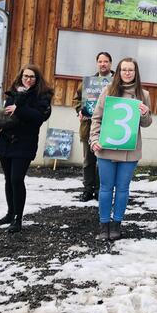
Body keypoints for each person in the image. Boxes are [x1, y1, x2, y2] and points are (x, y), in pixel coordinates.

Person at [89, 58, 152, 241]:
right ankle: (104, 225)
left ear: (135, 72)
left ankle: (117, 224)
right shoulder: (108, 91)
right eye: (123, 69)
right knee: (106, 188)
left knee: (123, 188)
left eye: (130, 70)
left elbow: (147, 124)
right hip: (106, 147)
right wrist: (94, 140)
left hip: (129, 149)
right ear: (118, 72)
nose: (127, 73)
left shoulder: (143, 94)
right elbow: (97, 119)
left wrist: (145, 113)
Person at [0, 64, 53, 234]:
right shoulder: (13, 92)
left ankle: (18, 218)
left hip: (25, 143)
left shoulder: (43, 96)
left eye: (32, 77)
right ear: (21, 76)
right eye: (25, 76)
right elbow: (5, 115)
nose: (28, 79)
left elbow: (38, 118)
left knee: (17, 179)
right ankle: (10, 213)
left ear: (37, 79)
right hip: (6, 142)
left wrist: (20, 108)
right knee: (8, 180)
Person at [72, 51, 113, 202]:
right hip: (88, 127)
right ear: (97, 63)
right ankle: (88, 189)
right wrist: (80, 111)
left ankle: (100, 189)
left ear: (110, 63)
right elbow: (76, 99)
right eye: (100, 61)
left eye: (106, 61)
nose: (103, 64)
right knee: (89, 161)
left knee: (104, 161)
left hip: (109, 128)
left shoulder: (116, 81)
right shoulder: (89, 82)